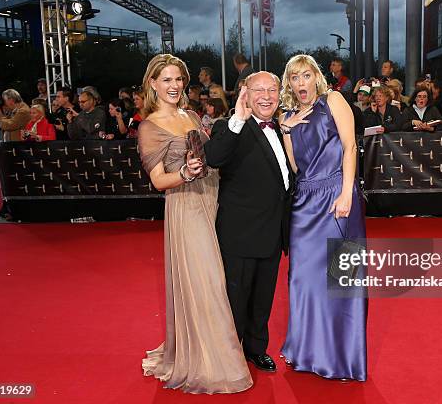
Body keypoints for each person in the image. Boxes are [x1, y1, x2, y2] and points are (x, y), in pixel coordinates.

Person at [137, 54, 253, 394]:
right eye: (167, 80)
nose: (174, 86)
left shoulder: (190, 115)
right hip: (185, 207)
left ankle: (213, 347)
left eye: (178, 80)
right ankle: (212, 361)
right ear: (153, 84)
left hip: (211, 197)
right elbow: (158, 181)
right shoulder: (150, 126)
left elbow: (210, 154)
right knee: (208, 281)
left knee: (219, 274)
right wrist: (185, 172)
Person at [278, 54, 367, 381]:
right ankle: (304, 350)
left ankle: (342, 358)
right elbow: (296, 168)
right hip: (304, 202)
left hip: (336, 197)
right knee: (302, 280)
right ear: (289, 83)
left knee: (340, 280)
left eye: (305, 76)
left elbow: (350, 145)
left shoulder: (333, 99)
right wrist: (286, 132)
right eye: (294, 78)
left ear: (316, 76)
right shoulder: (288, 116)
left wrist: (347, 192)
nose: (301, 83)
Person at [204, 71, 293, 374]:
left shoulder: (283, 129)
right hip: (240, 233)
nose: (267, 96)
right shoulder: (229, 126)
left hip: (273, 232)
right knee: (235, 300)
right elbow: (213, 157)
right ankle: (229, 355)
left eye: (273, 89)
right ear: (245, 93)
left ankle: (256, 349)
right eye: (259, 90)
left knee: (262, 299)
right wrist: (238, 120)